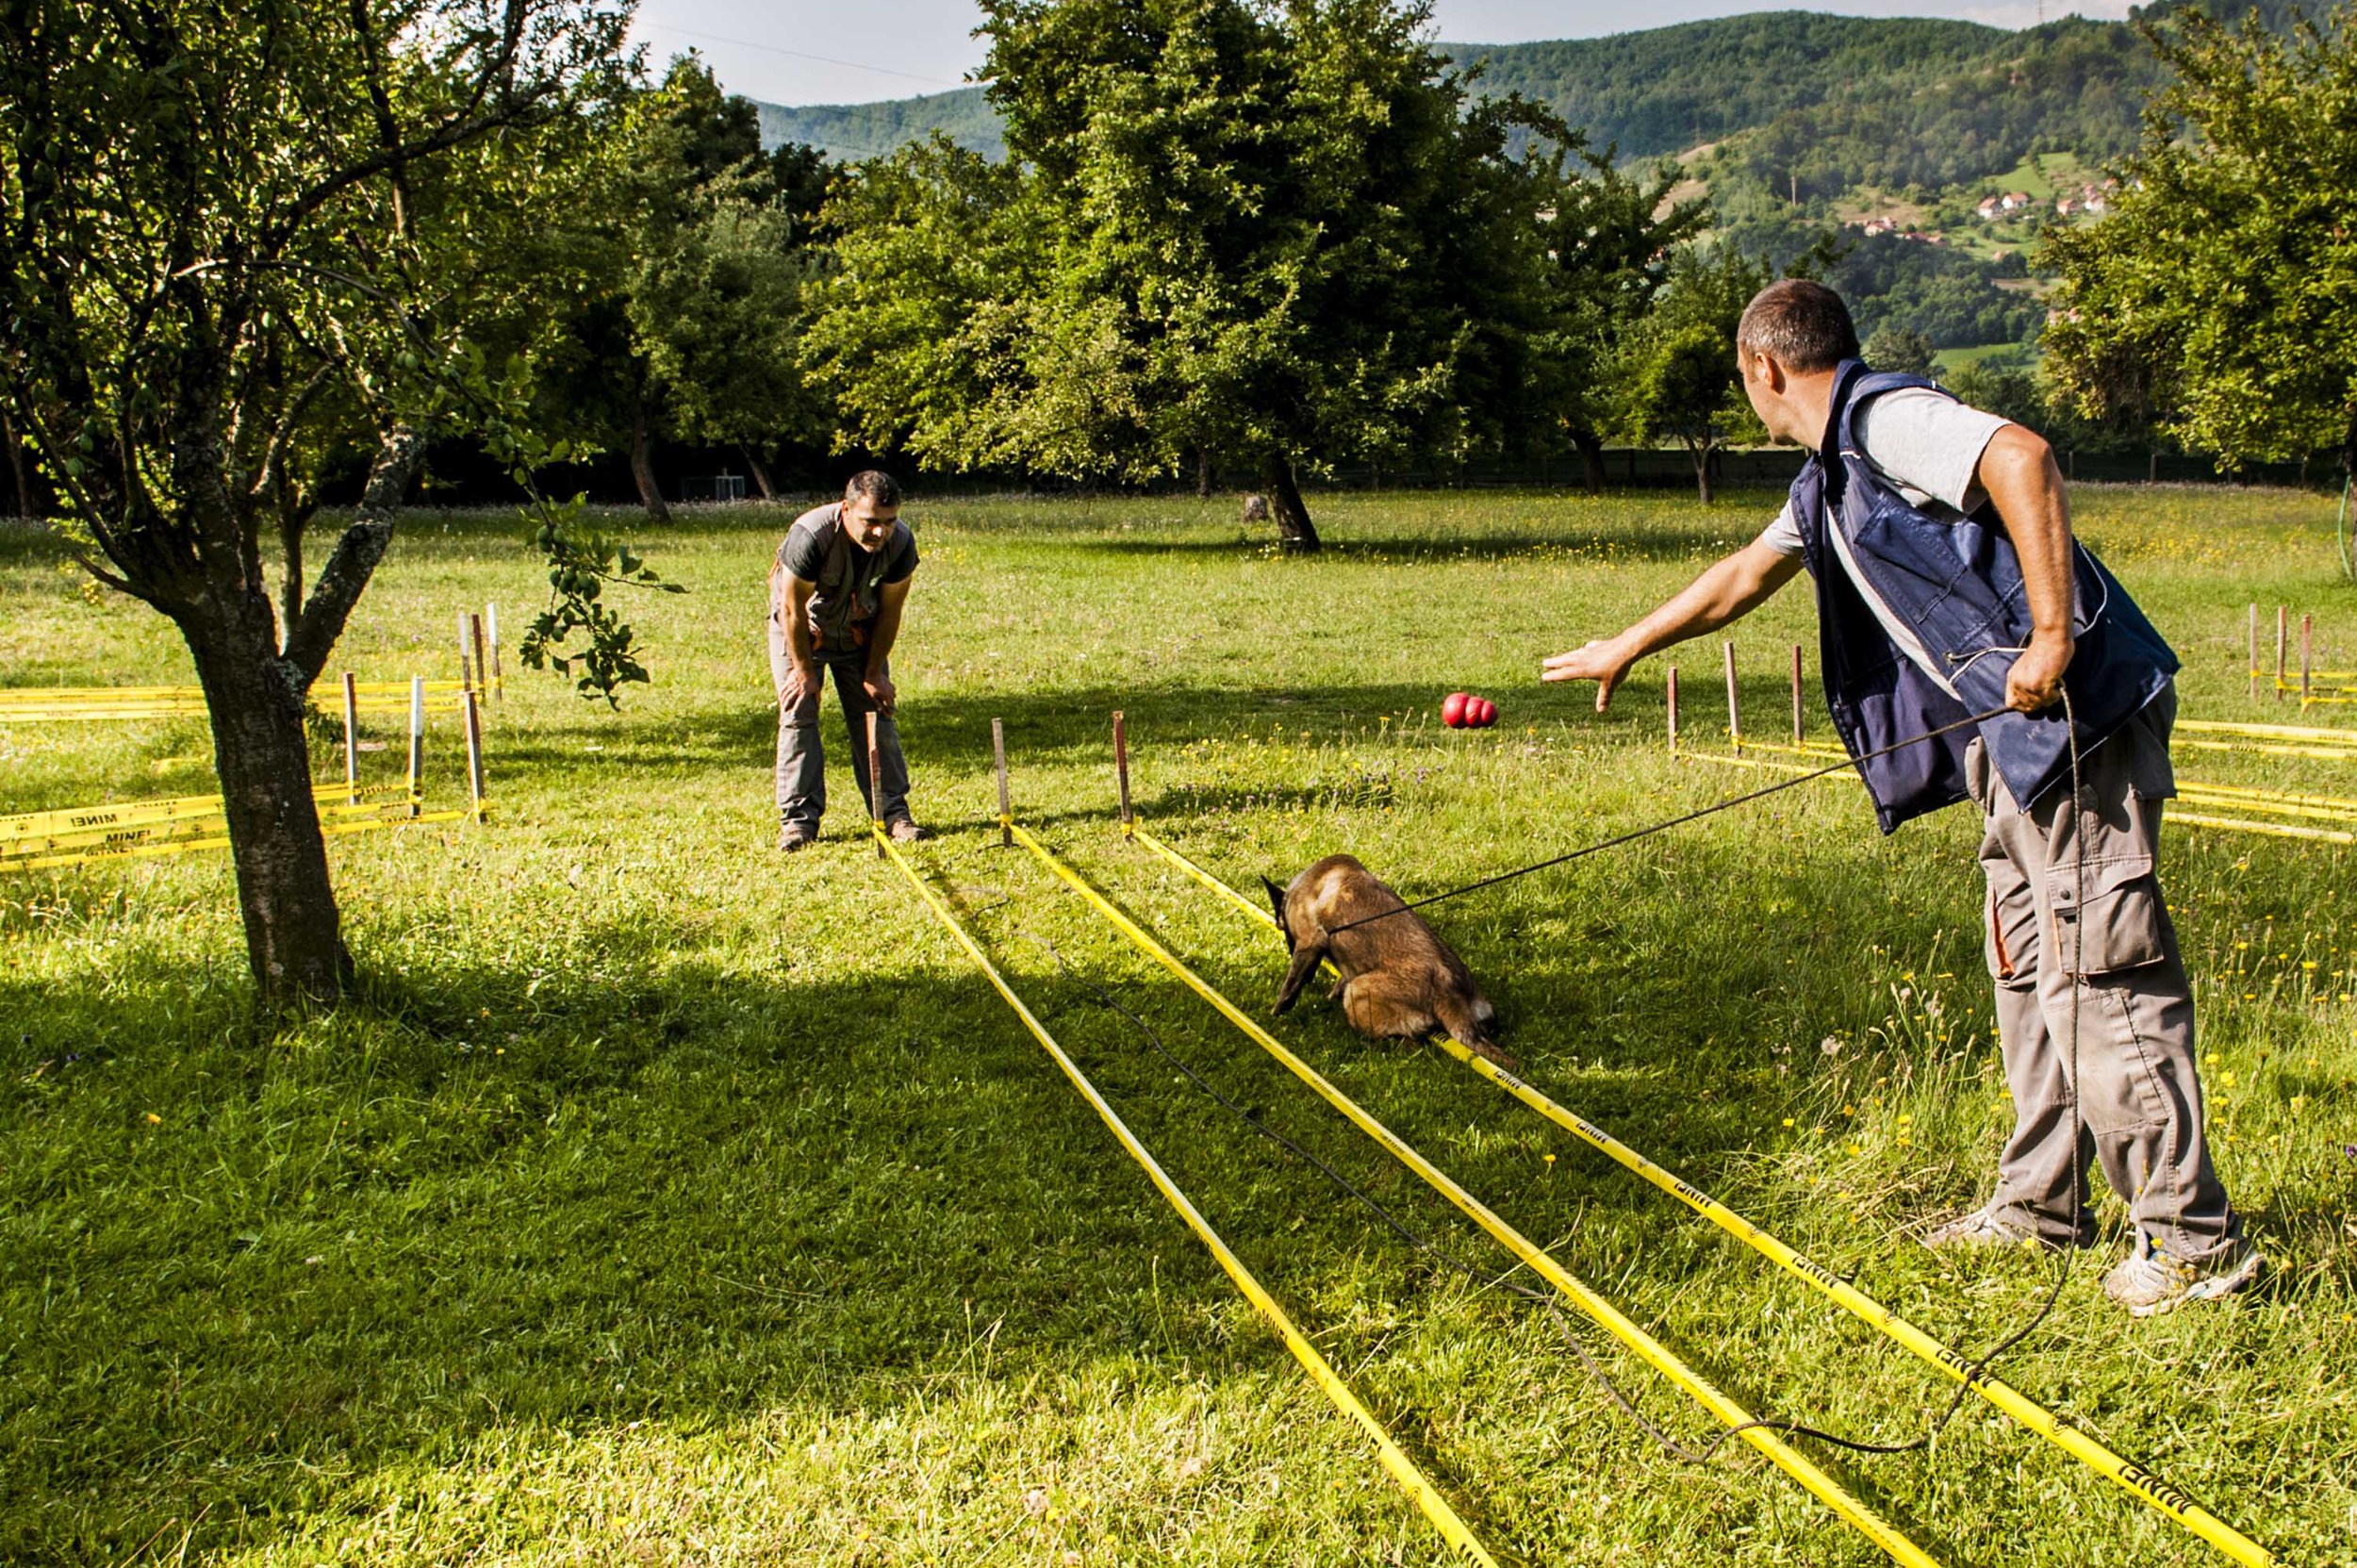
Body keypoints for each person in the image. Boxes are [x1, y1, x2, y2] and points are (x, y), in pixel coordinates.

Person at [1541, 280, 2260, 1316]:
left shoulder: (1885, 421)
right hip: (2010, 744)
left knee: (2099, 967)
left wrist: (2052, 636)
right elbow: (1746, 573)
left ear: (1763, 367)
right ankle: (2040, 1204)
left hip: (2075, 724)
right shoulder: (1826, 478)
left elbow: (2022, 457)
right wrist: (1628, 643)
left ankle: (2193, 1245)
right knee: (2029, 969)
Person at [769, 470, 926, 850]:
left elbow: (890, 612)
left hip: (859, 629)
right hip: (803, 627)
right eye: (870, 522)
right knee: (799, 707)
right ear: (846, 509)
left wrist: (874, 671)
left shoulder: (901, 543)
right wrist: (805, 671)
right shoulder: (811, 536)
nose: (880, 532)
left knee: (875, 709)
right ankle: (798, 823)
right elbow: (792, 611)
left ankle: (894, 814)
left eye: (888, 522)